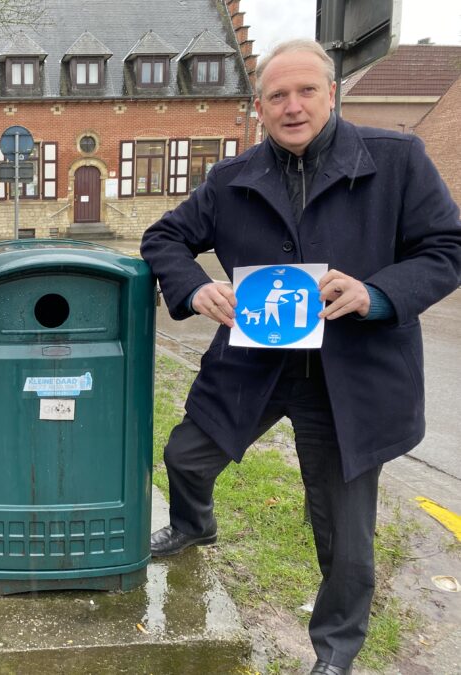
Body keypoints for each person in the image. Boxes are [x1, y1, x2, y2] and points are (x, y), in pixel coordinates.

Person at [140, 39, 461, 675]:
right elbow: (165, 237)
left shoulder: (396, 161)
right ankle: (194, 525)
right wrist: (196, 285)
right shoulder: (231, 180)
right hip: (255, 365)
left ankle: (335, 651)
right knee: (185, 455)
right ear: (258, 107)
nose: (292, 107)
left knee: (345, 534)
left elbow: (446, 248)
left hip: (351, 375)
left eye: (305, 91)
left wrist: (375, 293)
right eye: (277, 96)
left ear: (331, 92)